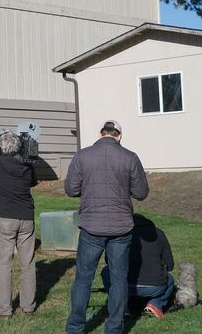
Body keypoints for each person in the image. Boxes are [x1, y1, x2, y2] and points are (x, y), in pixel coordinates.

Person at [64, 120, 149, 334]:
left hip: (91, 226)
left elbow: (71, 190)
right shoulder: (130, 157)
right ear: (119, 135)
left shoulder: (82, 156)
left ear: (100, 134)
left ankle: (75, 327)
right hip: (121, 228)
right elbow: (141, 193)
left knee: (83, 278)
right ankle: (114, 328)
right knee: (119, 279)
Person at [0, 130, 37, 317]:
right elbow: (33, 182)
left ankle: (3, 309)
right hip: (26, 217)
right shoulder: (26, 165)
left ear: (1, 146)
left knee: (5, 264)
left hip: (5, 218)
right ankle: (28, 306)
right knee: (28, 263)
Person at [100, 214, 175, 319]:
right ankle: (155, 304)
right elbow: (170, 265)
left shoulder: (120, 234)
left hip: (124, 284)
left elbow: (109, 261)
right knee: (170, 280)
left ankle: (122, 306)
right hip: (154, 287)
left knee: (106, 272)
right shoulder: (158, 233)